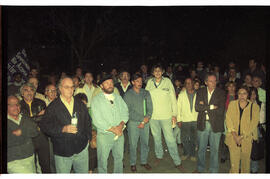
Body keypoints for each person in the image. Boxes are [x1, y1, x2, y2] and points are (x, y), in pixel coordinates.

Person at [39, 77, 92, 173]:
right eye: (67, 87)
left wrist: (88, 138)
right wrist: (62, 129)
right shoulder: (53, 106)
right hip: (63, 151)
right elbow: (45, 126)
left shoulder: (79, 103)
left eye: (72, 87)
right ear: (60, 89)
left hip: (81, 149)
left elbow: (88, 121)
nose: (70, 90)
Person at [145, 64, 184, 172]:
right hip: (153, 116)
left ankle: (177, 161)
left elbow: (173, 99)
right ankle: (159, 155)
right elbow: (146, 98)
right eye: (155, 70)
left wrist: (174, 114)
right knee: (156, 138)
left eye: (159, 70)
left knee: (170, 139)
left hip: (166, 116)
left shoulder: (167, 81)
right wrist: (146, 114)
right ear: (153, 72)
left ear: (162, 72)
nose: (157, 72)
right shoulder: (149, 82)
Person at [91, 75, 129, 173]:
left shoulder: (118, 98)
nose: (110, 85)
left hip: (119, 134)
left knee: (119, 159)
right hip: (104, 135)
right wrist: (113, 129)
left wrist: (120, 126)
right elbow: (97, 119)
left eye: (111, 83)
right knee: (102, 161)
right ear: (101, 86)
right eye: (107, 83)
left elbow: (125, 112)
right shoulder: (96, 100)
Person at [194, 73, 226, 173]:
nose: (213, 83)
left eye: (215, 81)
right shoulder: (200, 91)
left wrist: (205, 106)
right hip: (203, 123)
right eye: (211, 81)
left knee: (215, 150)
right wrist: (212, 106)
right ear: (206, 82)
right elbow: (197, 107)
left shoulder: (221, 93)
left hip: (216, 124)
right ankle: (200, 168)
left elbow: (220, 110)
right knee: (201, 148)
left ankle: (213, 171)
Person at [225, 86, 260, 173]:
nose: (242, 96)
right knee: (234, 163)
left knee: (246, 163)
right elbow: (228, 119)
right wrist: (234, 135)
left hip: (246, 139)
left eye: (244, 93)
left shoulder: (255, 107)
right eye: (240, 93)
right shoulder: (232, 104)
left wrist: (241, 136)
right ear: (237, 94)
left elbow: (253, 124)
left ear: (248, 95)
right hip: (233, 138)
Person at [123, 74, 153, 172]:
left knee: (145, 143)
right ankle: (133, 163)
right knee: (133, 144)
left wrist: (146, 119)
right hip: (133, 123)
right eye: (137, 81)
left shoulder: (146, 93)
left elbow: (150, 107)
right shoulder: (128, 94)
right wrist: (142, 120)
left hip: (146, 122)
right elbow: (128, 111)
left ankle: (144, 161)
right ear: (132, 82)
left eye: (140, 81)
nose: (139, 83)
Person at [19, 83, 50, 173]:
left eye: (31, 90)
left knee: (46, 165)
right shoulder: (18, 106)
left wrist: (32, 119)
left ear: (34, 92)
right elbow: (23, 123)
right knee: (31, 166)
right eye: (26, 90)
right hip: (27, 138)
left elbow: (45, 119)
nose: (29, 92)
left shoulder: (41, 103)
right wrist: (38, 116)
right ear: (22, 93)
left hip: (41, 136)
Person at [7, 96, 39, 173]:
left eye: (17, 104)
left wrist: (22, 132)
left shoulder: (25, 118)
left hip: (30, 157)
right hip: (14, 161)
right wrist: (27, 135)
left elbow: (35, 131)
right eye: (11, 105)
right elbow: (10, 141)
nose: (16, 107)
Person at [75, 93, 98, 173]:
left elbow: (95, 125)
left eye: (85, 104)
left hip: (90, 132)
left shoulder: (90, 110)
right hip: (79, 135)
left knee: (92, 145)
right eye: (81, 104)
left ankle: (90, 170)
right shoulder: (74, 113)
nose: (83, 106)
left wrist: (93, 132)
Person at [177, 78, 198, 162]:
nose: (188, 85)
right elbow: (178, 108)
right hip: (185, 120)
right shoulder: (181, 95)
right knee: (184, 138)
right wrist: (179, 120)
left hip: (195, 120)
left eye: (190, 83)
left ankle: (193, 154)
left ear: (193, 83)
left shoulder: (199, 94)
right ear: (185, 85)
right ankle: (186, 153)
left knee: (194, 138)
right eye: (187, 83)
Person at [249, 87, 265, 173]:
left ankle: (254, 169)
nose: (252, 96)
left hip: (256, 129)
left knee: (254, 149)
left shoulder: (260, 104)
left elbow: (261, 119)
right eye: (251, 94)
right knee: (245, 149)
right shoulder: (245, 103)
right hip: (245, 128)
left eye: (254, 94)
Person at [220, 81, 237, 163]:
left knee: (234, 139)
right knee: (225, 139)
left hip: (235, 120)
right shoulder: (224, 96)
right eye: (229, 86)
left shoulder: (238, 97)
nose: (231, 88)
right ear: (227, 88)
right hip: (225, 119)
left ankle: (233, 156)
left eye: (233, 86)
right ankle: (223, 155)